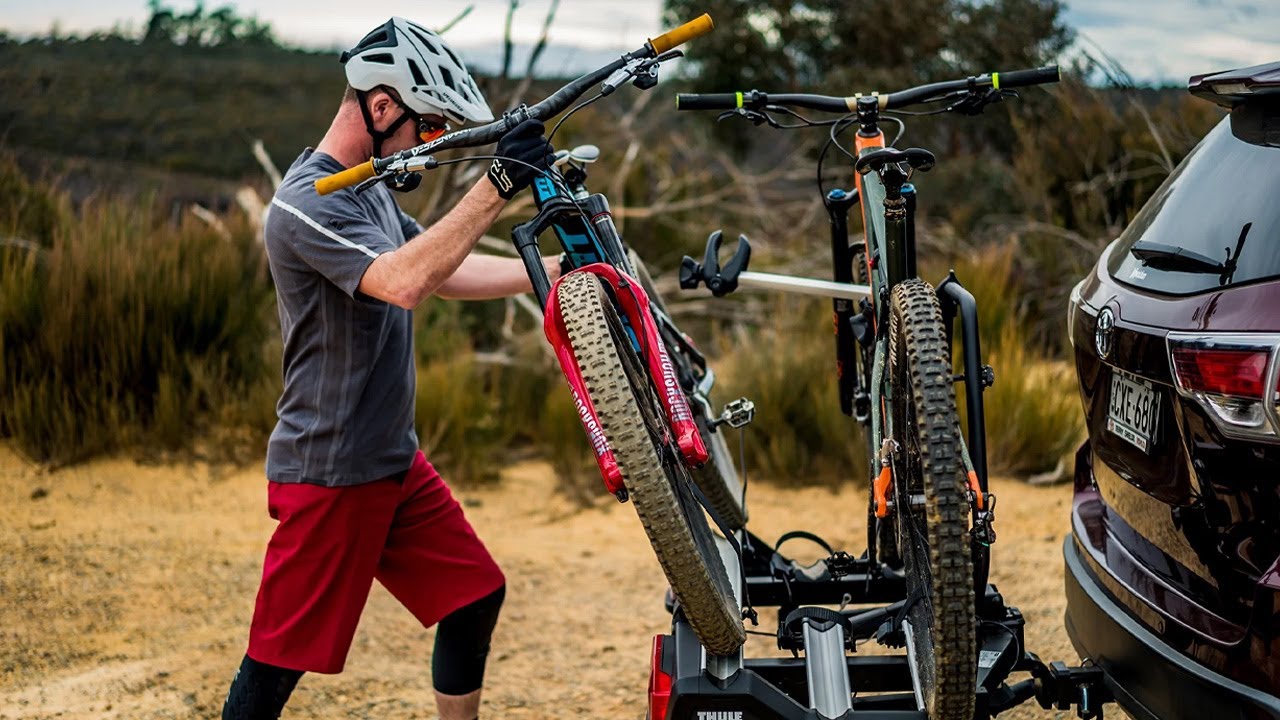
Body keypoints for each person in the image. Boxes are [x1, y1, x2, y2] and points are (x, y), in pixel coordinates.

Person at [221, 17, 560, 720]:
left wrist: (549, 270)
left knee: (473, 597)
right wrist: (499, 184)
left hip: (391, 462)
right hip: (332, 470)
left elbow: (439, 269)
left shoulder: (371, 188)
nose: (432, 144)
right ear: (381, 107)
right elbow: (403, 281)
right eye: (427, 126)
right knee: (275, 665)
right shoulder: (305, 204)